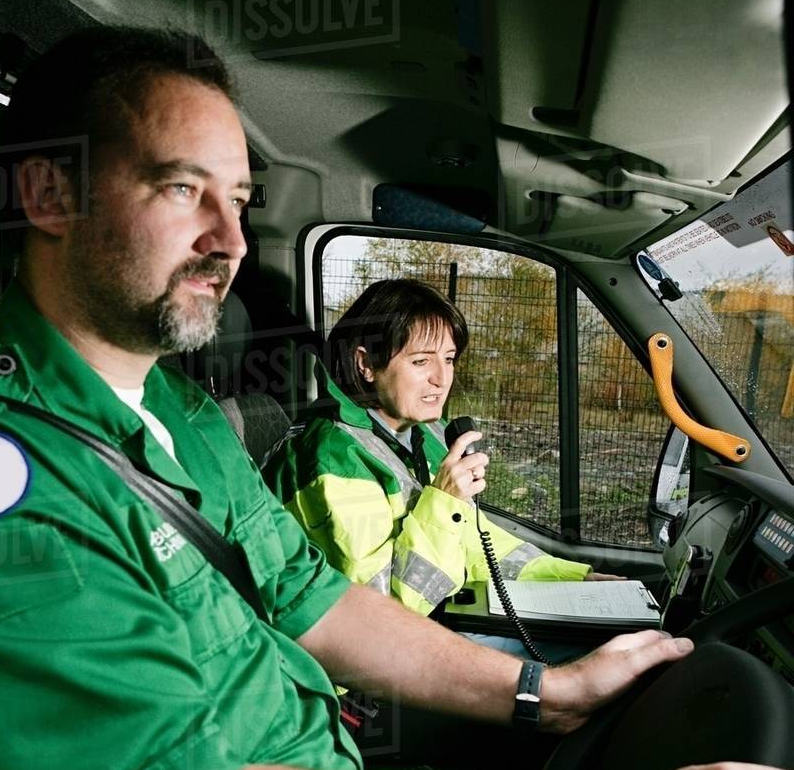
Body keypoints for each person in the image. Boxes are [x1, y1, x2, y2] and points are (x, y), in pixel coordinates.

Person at [0, 26, 793, 770]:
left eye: (241, 198)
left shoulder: (180, 416)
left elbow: (322, 603)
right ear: (50, 194)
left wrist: (542, 694)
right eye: (186, 190)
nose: (230, 238)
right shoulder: (18, 488)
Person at [265, 279, 622, 658]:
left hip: (433, 622)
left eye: (448, 358)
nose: (441, 378)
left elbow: (473, 539)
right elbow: (379, 619)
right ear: (366, 363)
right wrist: (444, 500)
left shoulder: (421, 432)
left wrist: (575, 578)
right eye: (421, 361)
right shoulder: (332, 460)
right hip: (370, 669)